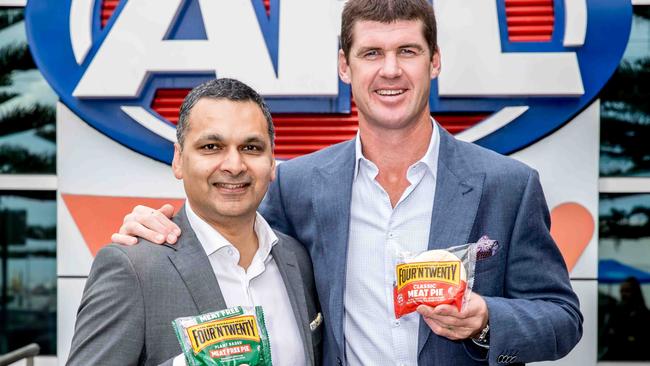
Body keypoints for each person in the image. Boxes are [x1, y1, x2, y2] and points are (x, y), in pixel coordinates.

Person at [113, 0, 583, 364]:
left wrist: (485, 319)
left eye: (408, 52)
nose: (391, 70)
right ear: (345, 66)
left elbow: (562, 318)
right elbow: (231, 238)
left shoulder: (509, 185)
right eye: (371, 53)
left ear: (434, 61)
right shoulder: (295, 186)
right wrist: (156, 227)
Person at [67, 78, 321, 366]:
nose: (234, 166)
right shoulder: (133, 268)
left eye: (251, 148)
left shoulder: (298, 260)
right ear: (178, 160)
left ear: (272, 161)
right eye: (212, 146)